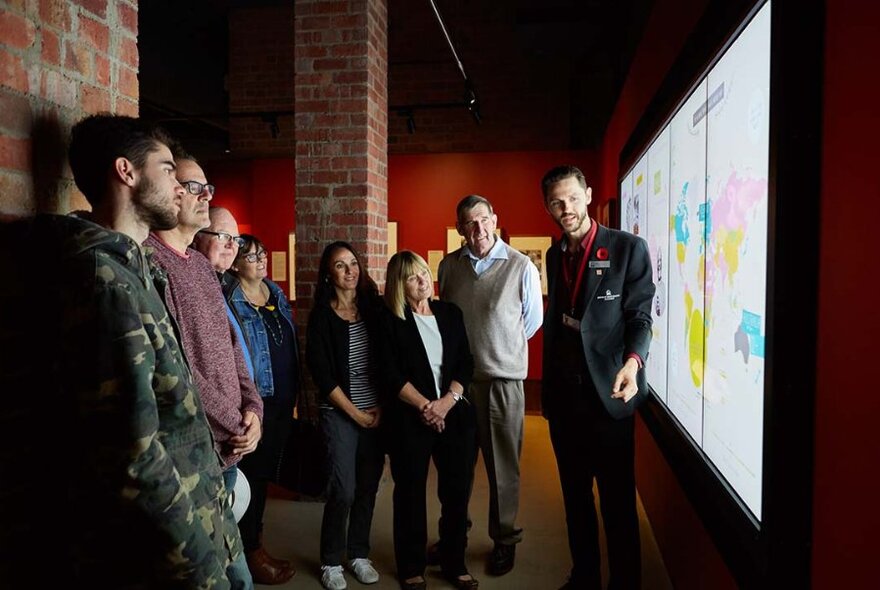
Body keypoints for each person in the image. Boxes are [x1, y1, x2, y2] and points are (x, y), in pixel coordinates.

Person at [0, 114, 243, 587]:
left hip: (197, 524)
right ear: (126, 173)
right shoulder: (103, 280)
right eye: (168, 169)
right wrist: (200, 564)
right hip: (164, 556)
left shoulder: (131, 267)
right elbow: (134, 456)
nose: (182, 187)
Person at [145, 154, 264, 589]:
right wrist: (239, 425)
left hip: (227, 447)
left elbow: (235, 349)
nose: (205, 196)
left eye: (207, 187)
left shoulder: (199, 266)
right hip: (194, 455)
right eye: (195, 187)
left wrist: (255, 410)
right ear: (171, 191)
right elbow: (181, 368)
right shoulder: (153, 262)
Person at [539, 165, 654, 590]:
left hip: (610, 396)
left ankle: (625, 583)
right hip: (565, 401)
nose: (565, 208)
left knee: (617, 503)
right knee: (575, 500)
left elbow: (640, 316)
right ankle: (584, 575)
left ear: (587, 195)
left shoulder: (627, 249)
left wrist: (633, 362)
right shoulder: (554, 255)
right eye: (556, 201)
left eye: (571, 197)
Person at [436, 194, 543, 575]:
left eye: (483, 220)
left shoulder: (521, 266)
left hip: (503, 384)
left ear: (494, 220)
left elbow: (531, 322)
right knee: (456, 468)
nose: (477, 228)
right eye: (469, 222)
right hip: (458, 387)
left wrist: (501, 352)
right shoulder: (449, 267)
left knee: (503, 468)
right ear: (460, 228)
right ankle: (454, 536)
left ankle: (504, 539)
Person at [379, 251, 479, 590]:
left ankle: (455, 562)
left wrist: (447, 402)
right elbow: (389, 373)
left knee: (456, 493)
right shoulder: (390, 320)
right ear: (398, 284)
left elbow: (465, 362)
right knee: (410, 492)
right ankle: (411, 565)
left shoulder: (450, 313)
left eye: (423, 272)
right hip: (410, 419)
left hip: (455, 414)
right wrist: (427, 407)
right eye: (411, 276)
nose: (422, 279)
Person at [306, 241, 386, 590]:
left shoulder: (375, 308)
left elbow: (391, 360)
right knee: (344, 489)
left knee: (368, 485)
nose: (350, 270)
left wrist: (380, 407)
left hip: (376, 412)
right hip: (341, 411)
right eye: (340, 265)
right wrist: (355, 414)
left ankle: (358, 553)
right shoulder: (322, 316)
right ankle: (330, 561)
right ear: (328, 273)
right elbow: (323, 376)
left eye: (353, 263)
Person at [224, 234, 299, 584]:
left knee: (265, 472)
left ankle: (255, 540)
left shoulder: (276, 292)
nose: (260, 259)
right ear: (236, 264)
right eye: (251, 256)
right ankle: (249, 549)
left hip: (284, 399)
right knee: (251, 476)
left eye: (262, 253)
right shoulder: (231, 298)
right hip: (257, 403)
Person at [192, 206, 255, 379]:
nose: (231, 245)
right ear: (196, 239)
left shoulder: (230, 287)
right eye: (222, 236)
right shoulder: (190, 288)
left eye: (236, 239)